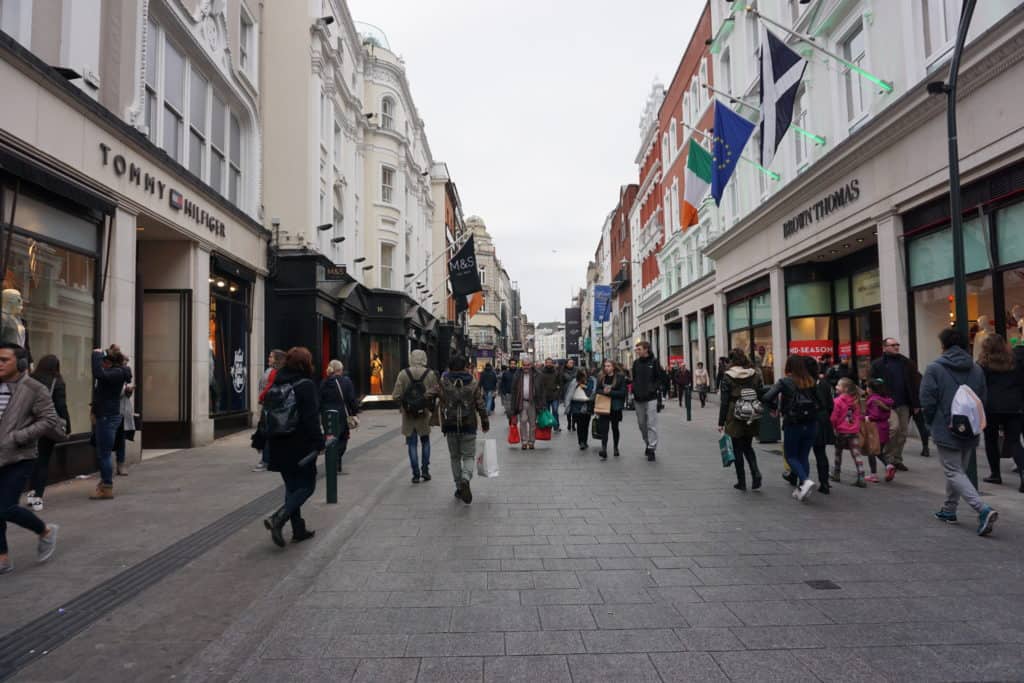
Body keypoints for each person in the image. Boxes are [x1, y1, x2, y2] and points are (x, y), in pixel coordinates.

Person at [920, 327, 997, 536]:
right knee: (957, 471)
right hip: (970, 427)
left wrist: (930, 423)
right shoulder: (976, 369)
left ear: (943, 345)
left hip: (945, 426)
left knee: (953, 471)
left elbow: (927, 400)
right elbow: (983, 398)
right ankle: (949, 509)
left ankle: (982, 509)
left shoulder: (935, 368)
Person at [0, 343, 64, 574]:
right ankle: (3, 558)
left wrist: (18, 437)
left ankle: (45, 530)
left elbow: (49, 420)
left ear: (21, 363)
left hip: (19, 456)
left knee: (5, 508)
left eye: (4, 359)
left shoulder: (34, 388)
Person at [263, 347, 324, 547]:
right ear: (305, 364)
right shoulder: (305, 385)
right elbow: (311, 418)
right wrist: (319, 441)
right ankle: (278, 518)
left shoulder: (278, 381)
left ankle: (298, 529)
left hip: (278, 442)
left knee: (291, 487)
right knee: (307, 485)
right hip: (300, 444)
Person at [762, 355, 821, 501]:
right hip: (811, 423)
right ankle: (802, 487)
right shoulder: (811, 381)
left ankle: (805, 481)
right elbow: (820, 402)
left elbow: (767, 397)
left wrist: (774, 408)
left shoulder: (785, 381)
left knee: (791, 456)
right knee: (803, 456)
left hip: (793, 423)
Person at [438, 355, 489, 504]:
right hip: (469, 424)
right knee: (468, 456)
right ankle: (466, 479)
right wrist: (485, 422)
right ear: (465, 367)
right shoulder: (472, 382)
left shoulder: (443, 382)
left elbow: (431, 394)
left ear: (450, 367)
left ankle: (459, 486)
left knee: (455, 457)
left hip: (450, 424)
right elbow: (480, 404)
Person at [977, 334, 1024, 489]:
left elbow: (980, 385)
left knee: (991, 440)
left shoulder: (983, 364)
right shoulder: (1014, 361)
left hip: (991, 407)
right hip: (1014, 406)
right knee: (1015, 441)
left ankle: (995, 474)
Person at [870, 338, 924, 470]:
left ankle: (896, 459)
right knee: (894, 429)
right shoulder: (877, 364)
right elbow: (871, 383)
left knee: (903, 433)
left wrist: (916, 404)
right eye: (893, 345)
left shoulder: (906, 363)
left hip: (904, 402)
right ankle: (887, 457)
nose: (896, 347)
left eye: (897, 345)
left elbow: (914, 383)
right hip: (886, 404)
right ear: (884, 347)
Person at [27, 355, 71, 511]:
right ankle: (38, 497)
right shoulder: (57, 382)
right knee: (43, 460)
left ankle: (31, 493)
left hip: (28, 424)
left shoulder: (29, 379)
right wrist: (67, 425)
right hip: (47, 425)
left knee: (31, 460)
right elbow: (61, 406)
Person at [718, 348, 763, 491]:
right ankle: (756, 473)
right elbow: (760, 392)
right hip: (750, 411)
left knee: (737, 448)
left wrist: (721, 422)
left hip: (734, 412)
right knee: (748, 446)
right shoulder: (754, 374)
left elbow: (724, 401)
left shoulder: (728, 376)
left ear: (731, 360)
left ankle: (741, 481)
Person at [90, 345, 131, 500]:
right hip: (107, 414)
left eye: (104, 362)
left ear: (110, 362)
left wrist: (96, 356)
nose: (103, 365)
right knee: (103, 453)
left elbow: (98, 373)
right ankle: (104, 484)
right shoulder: (118, 372)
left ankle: (106, 487)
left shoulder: (116, 373)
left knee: (105, 454)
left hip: (107, 416)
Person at [393, 349, 439, 483]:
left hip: (408, 415)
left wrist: (405, 403)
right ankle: (425, 470)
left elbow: (395, 395)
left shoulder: (403, 373)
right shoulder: (430, 374)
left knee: (412, 444)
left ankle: (415, 474)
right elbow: (436, 392)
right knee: (425, 442)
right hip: (423, 413)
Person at [320, 359, 359, 474]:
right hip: (341, 415)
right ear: (340, 370)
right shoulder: (346, 381)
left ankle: (332, 462)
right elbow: (351, 398)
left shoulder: (324, 382)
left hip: (327, 415)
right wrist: (354, 412)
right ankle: (337, 461)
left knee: (330, 438)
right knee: (343, 438)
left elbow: (319, 399)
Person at [632, 340, 668, 461]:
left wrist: (653, 388)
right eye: (636, 349)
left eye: (639, 349)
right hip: (638, 398)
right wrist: (635, 390)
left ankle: (652, 448)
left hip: (651, 398)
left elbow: (661, 378)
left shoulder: (654, 362)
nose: (637, 351)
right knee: (642, 424)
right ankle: (647, 442)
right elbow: (634, 379)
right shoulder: (635, 363)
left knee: (651, 424)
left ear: (646, 349)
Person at [830, 377, 867, 488]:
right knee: (856, 453)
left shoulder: (837, 401)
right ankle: (861, 476)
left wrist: (832, 428)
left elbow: (833, 417)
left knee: (838, 452)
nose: (836, 387)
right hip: (853, 431)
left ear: (845, 389)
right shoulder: (856, 401)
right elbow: (859, 415)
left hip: (841, 431)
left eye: (838, 385)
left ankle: (836, 473)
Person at [804, 356, 834, 494]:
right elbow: (830, 405)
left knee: (802, 453)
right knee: (820, 452)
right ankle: (825, 482)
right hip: (822, 419)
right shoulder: (824, 383)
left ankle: (802, 480)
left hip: (807, 419)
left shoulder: (803, 383)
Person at [253, 349, 286, 472]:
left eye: (271, 357)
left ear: (277, 359)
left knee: (267, 433)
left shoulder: (273, 372)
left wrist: (261, 397)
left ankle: (266, 460)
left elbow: (268, 387)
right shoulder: (273, 371)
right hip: (271, 405)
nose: (269, 358)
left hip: (269, 406)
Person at [864, 379, 896, 484]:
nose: (866, 389)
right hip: (884, 427)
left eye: (868, 387)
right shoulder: (886, 399)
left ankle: (873, 475)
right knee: (879, 451)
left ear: (872, 390)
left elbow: (875, 415)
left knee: (871, 452)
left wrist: (866, 418)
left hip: (875, 429)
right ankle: (889, 466)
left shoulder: (873, 400)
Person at [595, 359, 626, 458]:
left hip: (615, 407)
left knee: (615, 427)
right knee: (604, 428)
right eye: (605, 366)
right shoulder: (601, 377)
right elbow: (597, 390)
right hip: (603, 406)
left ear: (613, 367)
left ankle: (616, 447)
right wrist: (604, 392)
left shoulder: (620, 377)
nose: (606, 368)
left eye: (608, 366)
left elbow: (622, 393)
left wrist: (610, 392)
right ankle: (604, 449)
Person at [511, 357, 545, 450]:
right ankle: (524, 441)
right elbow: (513, 390)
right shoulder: (517, 375)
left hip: (533, 402)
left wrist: (542, 404)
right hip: (521, 401)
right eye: (524, 365)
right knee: (523, 421)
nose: (526, 367)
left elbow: (541, 391)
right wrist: (513, 406)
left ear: (531, 365)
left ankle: (531, 441)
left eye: (528, 365)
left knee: (532, 423)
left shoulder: (537, 375)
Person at [567, 369, 596, 451]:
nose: (584, 376)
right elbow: (569, 393)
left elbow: (592, 392)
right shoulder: (574, 381)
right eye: (582, 374)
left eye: (585, 374)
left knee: (586, 425)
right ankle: (581, 442)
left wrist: (585, 387)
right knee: (580, 425)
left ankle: (585, 441)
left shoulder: (591, 381)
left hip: (587, 406)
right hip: (577, 406)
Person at [540, 357, 563, 432]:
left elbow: (560, 383)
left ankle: (556, 426)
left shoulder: (556, 372)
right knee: (547, 412)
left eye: (550, 362)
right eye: (547, 362)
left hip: (554, 395)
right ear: (545, 363)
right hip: (545, 395)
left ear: (552, 363)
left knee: (555, 411)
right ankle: (548, 425)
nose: (549, 364)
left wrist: (558, 391)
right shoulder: (541, 372)